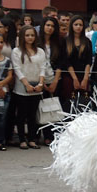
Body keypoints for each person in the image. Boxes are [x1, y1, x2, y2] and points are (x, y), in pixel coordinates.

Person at [11, 25, 47, 149]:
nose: (30, 37)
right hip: (22, 86)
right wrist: (26, 84)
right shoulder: (16, 51)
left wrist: (41, 84)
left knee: (33, 114)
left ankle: (32, 139)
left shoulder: (40, 51)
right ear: (22, 36)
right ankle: (22, 140)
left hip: (37, 85)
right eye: (27, 35)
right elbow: (17, 69)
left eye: (32, 35)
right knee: (21, 114)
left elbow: (43, 68)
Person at [39, 15, 65, 145]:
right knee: (42, 107)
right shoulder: (37, 42)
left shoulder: (59, 42)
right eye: (48, 25)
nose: (50, 28)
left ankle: (54, 134)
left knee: (55, 107)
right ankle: (44, 135)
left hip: (55, 78)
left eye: (53, 26)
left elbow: (61, 62)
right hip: (39, 78)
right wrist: (42, 83)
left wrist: (55, 81)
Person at [63, 15, 93, 112]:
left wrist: (85, 78)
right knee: (70, 103)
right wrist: (75, 79)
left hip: (84, 76)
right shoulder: (66, 41)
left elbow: (89, 61)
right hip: (69, 76)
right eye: (76, 24)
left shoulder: (87, 41)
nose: (78, 27)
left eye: (80, 24)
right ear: (71, 26)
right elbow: (66, 61)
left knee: (83, 103)